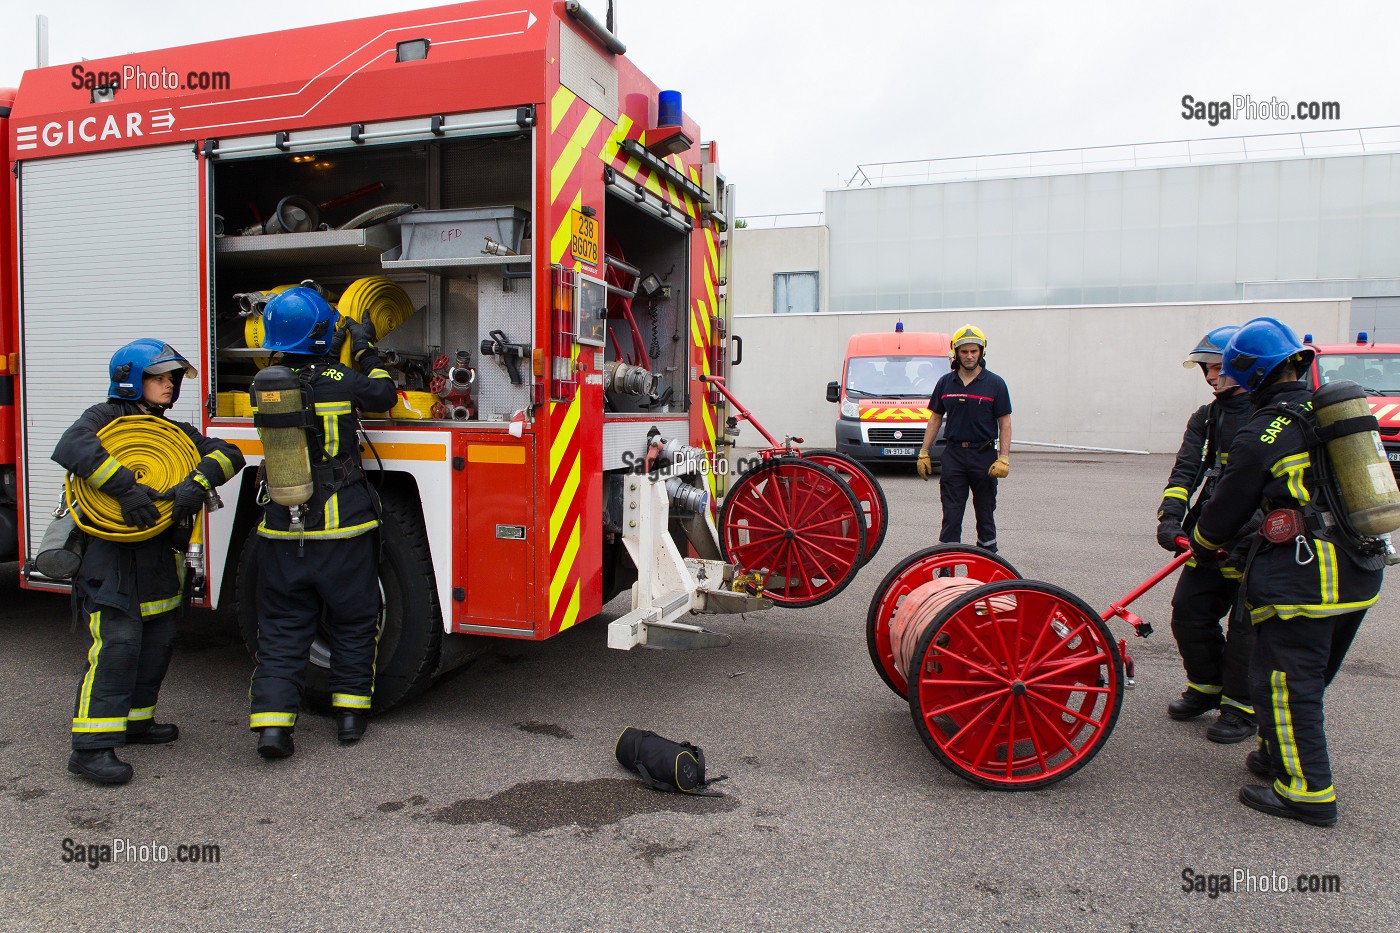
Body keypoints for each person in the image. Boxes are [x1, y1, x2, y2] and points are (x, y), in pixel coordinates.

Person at [1192, 317, 1384, 827]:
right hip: (1359, 568)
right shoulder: (1324, 410)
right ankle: (1280, 758)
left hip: (1307, 574)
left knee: (1285, 681)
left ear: (1249, 375)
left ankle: (1307, 792)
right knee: (1307, 676)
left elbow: (1226, 508)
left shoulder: (1264, 430)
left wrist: (1204, 545)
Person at [54, 340, 245, 785]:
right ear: (130, 378)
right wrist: (125, 487)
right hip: (110, 556)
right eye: (158, 378)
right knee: (117, 645)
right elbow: (71, 446)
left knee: (157, 641)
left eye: (171, 379)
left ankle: (135, 722)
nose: (168, 386)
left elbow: (228, 453)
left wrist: (195, 485)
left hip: (159, 556)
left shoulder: (173, 433)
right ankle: (91, 748)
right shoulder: (104, 418)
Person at [248, 288, 397, 759]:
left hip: (281, 528)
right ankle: (350, 718)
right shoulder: (343, 378)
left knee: (283, 627)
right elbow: (383, 392)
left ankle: (273, 728)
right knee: (354, 622)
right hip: (343, 530)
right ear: (322, 332)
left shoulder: (264, 385)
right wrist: (366, 347)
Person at [1156, 327, 1258, 743]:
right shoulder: (1207, 416)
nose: (1212, 377)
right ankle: (1205, 687)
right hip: (1210, 533)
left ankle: (1241, 707)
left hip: (1257, 540)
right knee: (1189, 610)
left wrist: (1241, 533)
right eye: (1207, 369)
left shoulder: (1267, 415)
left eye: (1219, 368)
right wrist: (1171, 518)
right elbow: (1186, 471)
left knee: (1247, 628)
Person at [917, 325, 1012, 552]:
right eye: (964, 352)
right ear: (956, 354)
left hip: (984, 456)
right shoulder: (945, 383)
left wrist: (1004, 458)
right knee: (951, 515)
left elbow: (1005, 423)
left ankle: (987, 569)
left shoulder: (995, 384)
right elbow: (935, 419)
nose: (969, 356)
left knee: (985, 515)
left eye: (974, 351)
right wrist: (924, 452)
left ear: (981, 352)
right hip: (954, 456)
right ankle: (946, 570)